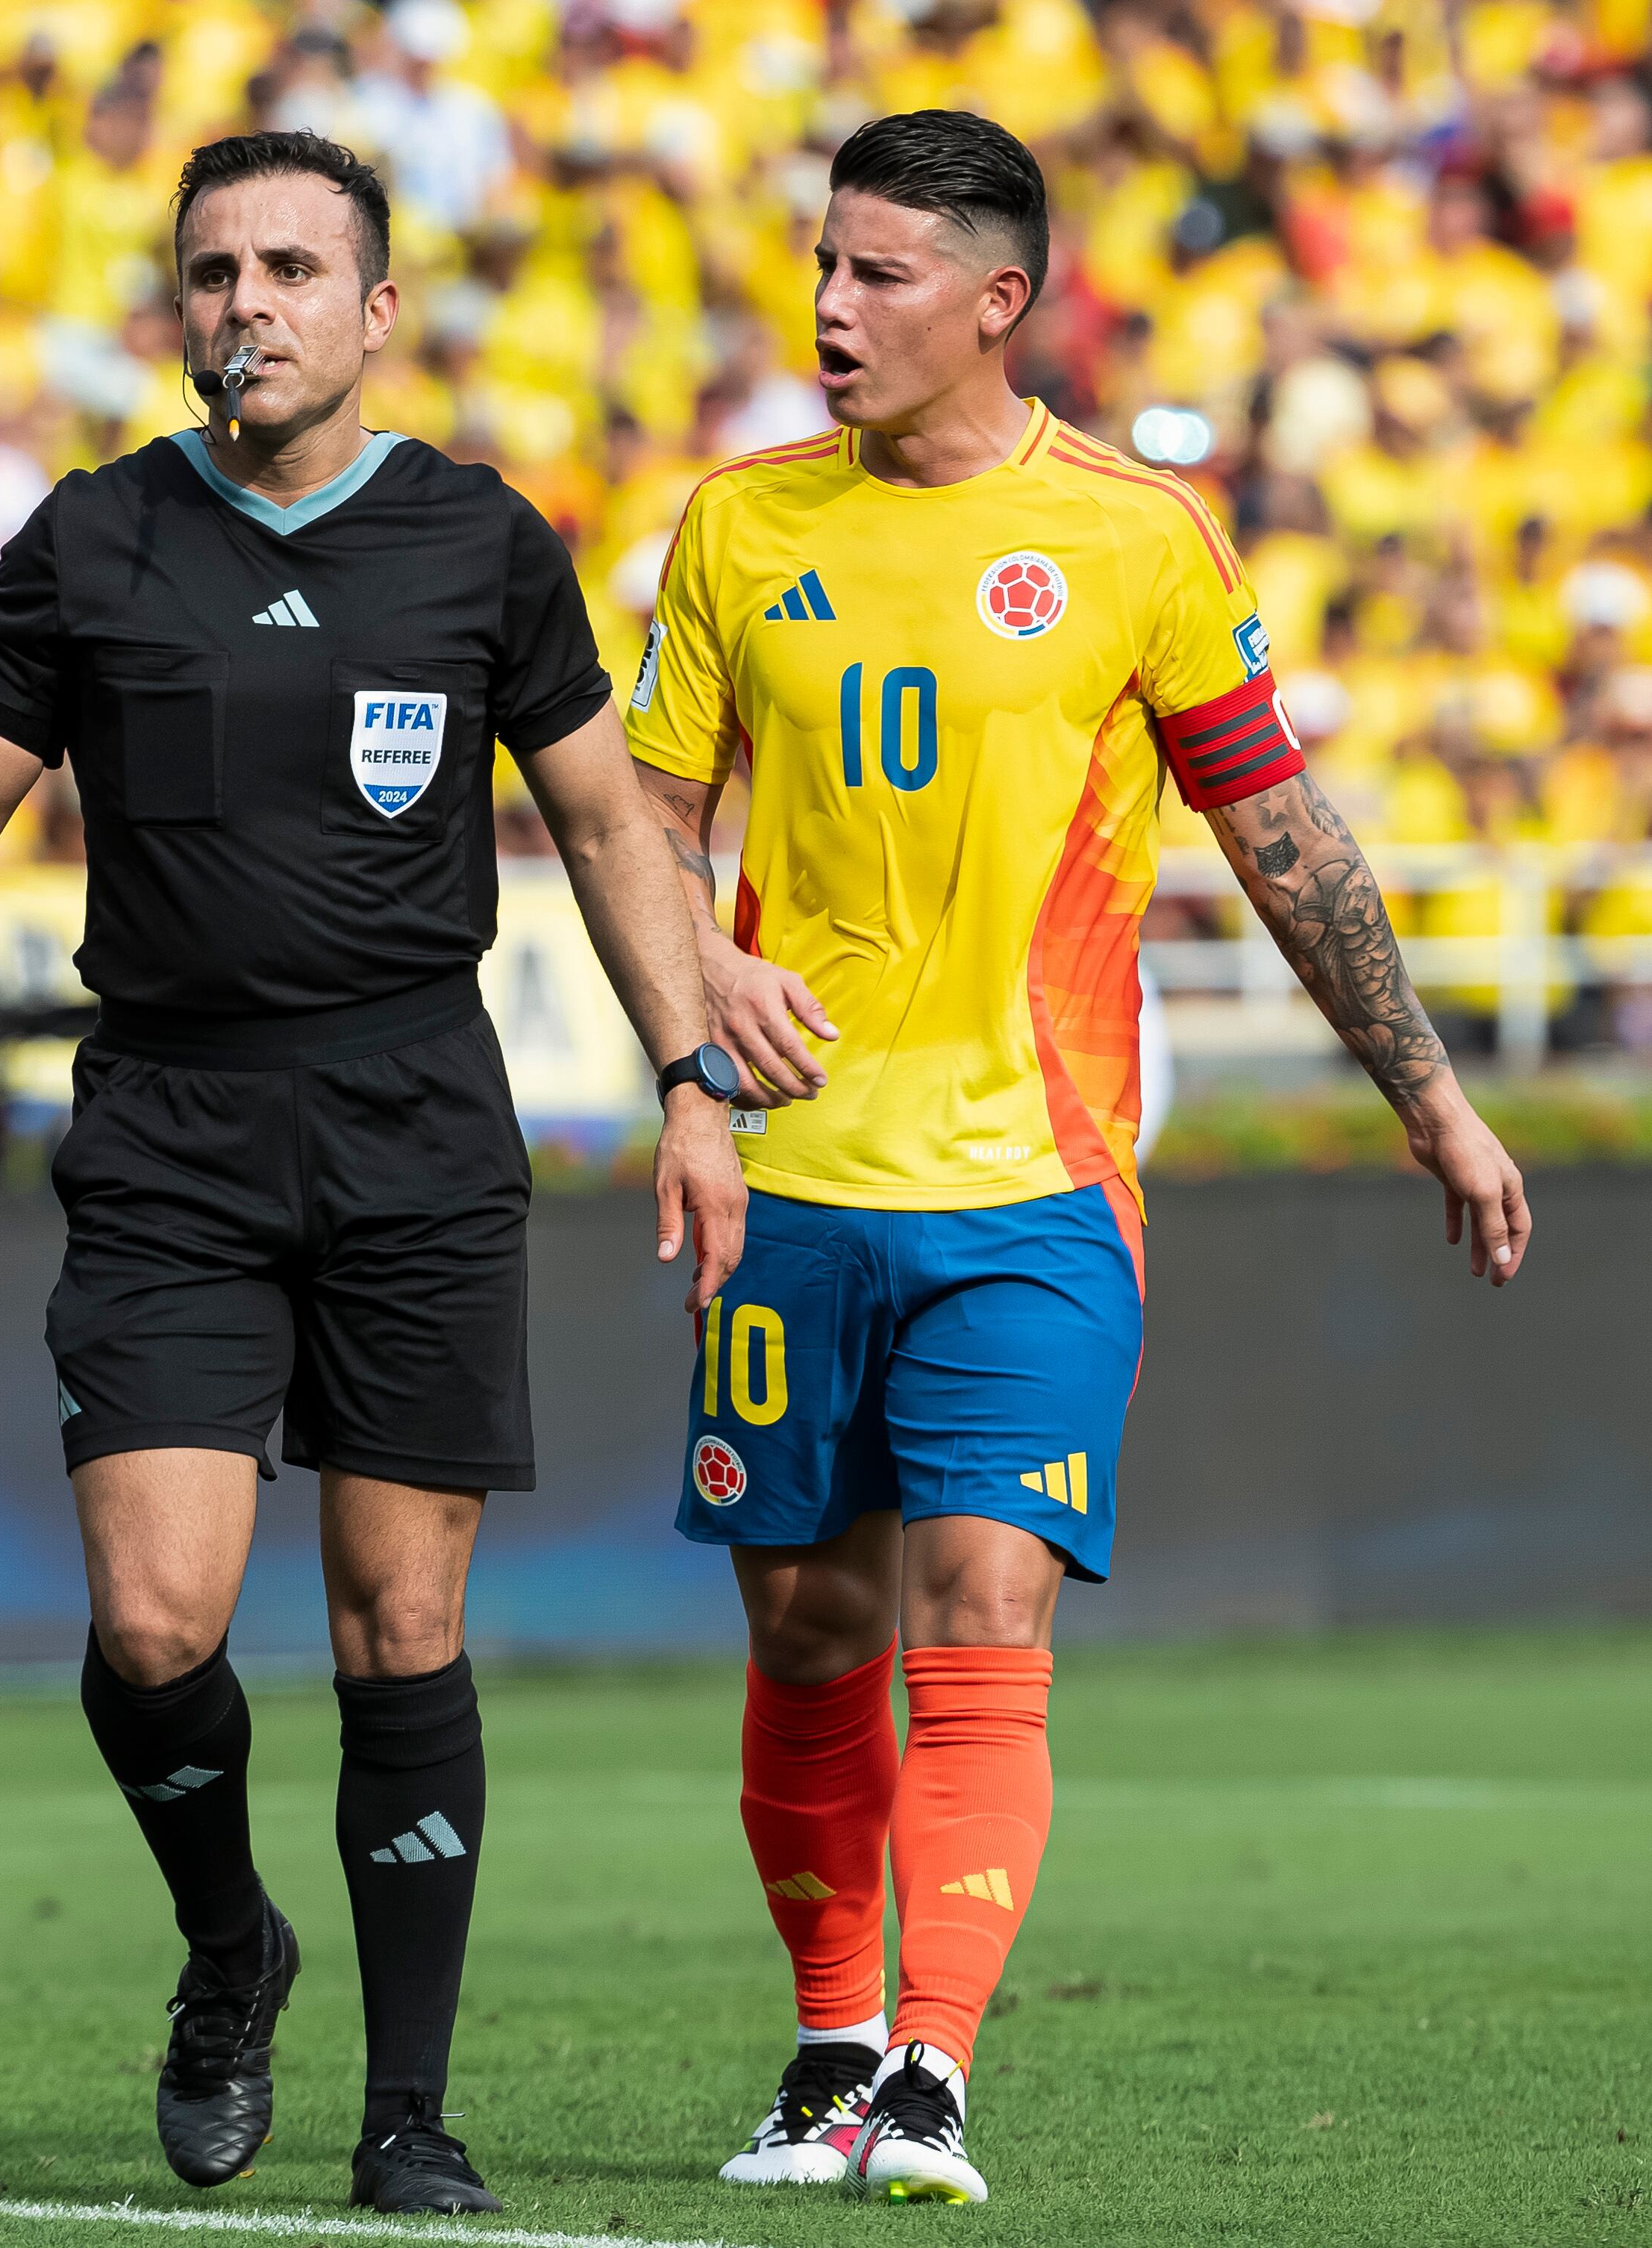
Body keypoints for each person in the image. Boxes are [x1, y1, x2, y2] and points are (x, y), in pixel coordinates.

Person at [625, 110, 1534, 2205]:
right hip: (792, 1179)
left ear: (995, 300)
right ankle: (830, 2038)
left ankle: (931, 2068)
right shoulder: (739, 525)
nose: (829, 308)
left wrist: (1432, 1092)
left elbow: (1277, 830)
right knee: (807, 1628)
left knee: (984, 1595)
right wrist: (690, 1054)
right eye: (822, 265)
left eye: (875, 274)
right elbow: (643, 827)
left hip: (1036, 1181)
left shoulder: (1139, 534)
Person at [0, 129, 747, 2214]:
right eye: (209, 272)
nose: (242, 303)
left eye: (286, 268)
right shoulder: (93, 539)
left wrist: (694, 1071)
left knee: (400, 1621)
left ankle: (410, 2116)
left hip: (415, 1124)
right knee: (157, 1617)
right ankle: (226, 1947)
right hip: (169, 1123)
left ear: (374, 313)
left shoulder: (480, 543)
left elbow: (617, 830)